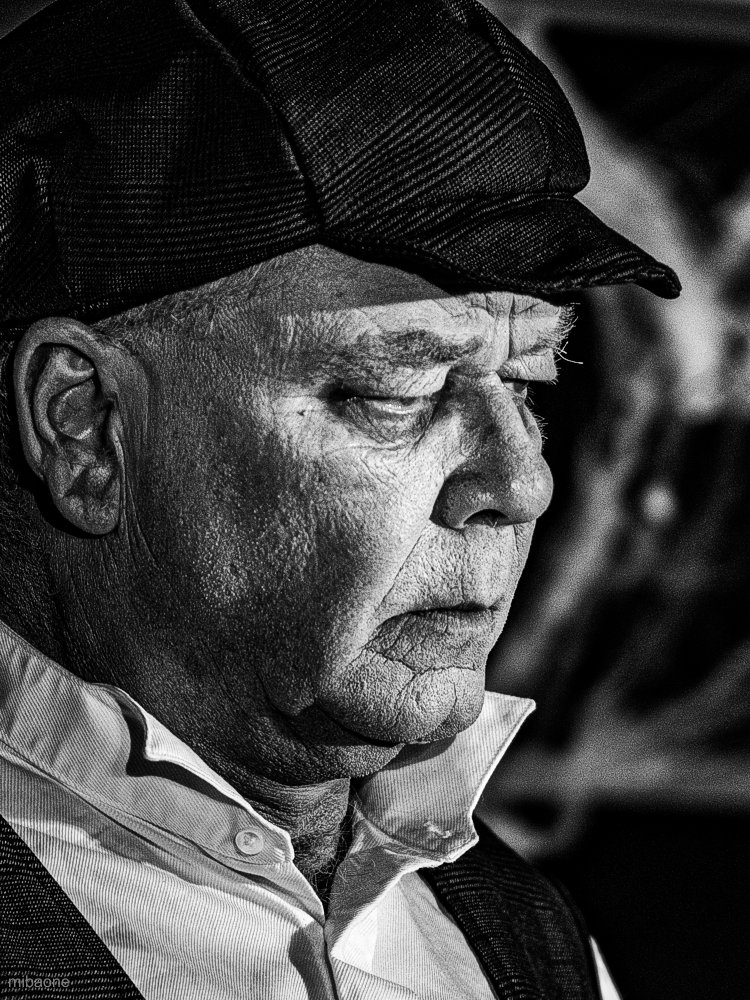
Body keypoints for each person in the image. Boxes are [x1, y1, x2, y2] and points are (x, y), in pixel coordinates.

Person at [0, 1, 679, 998]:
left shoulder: (530, 945)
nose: (521, 483)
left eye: (528, 380)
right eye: (396, 394)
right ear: (86, 427)